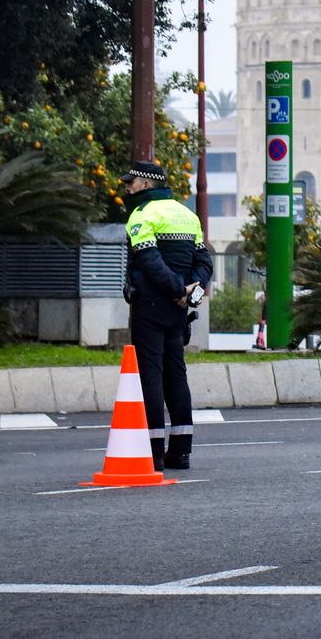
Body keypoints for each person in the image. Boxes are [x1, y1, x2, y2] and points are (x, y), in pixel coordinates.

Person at [121, 160, 213, 471]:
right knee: (176, 375)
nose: (127, 187)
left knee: (150, 375)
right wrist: (191, 293)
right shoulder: (188, 215)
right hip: (179, 310)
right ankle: (182, 451)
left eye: (131, 182)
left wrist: (176, 289)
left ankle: (154, 452)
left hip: (151, 306)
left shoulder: (142, 215)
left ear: (146, 185)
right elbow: (204, 261)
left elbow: (150, 261)